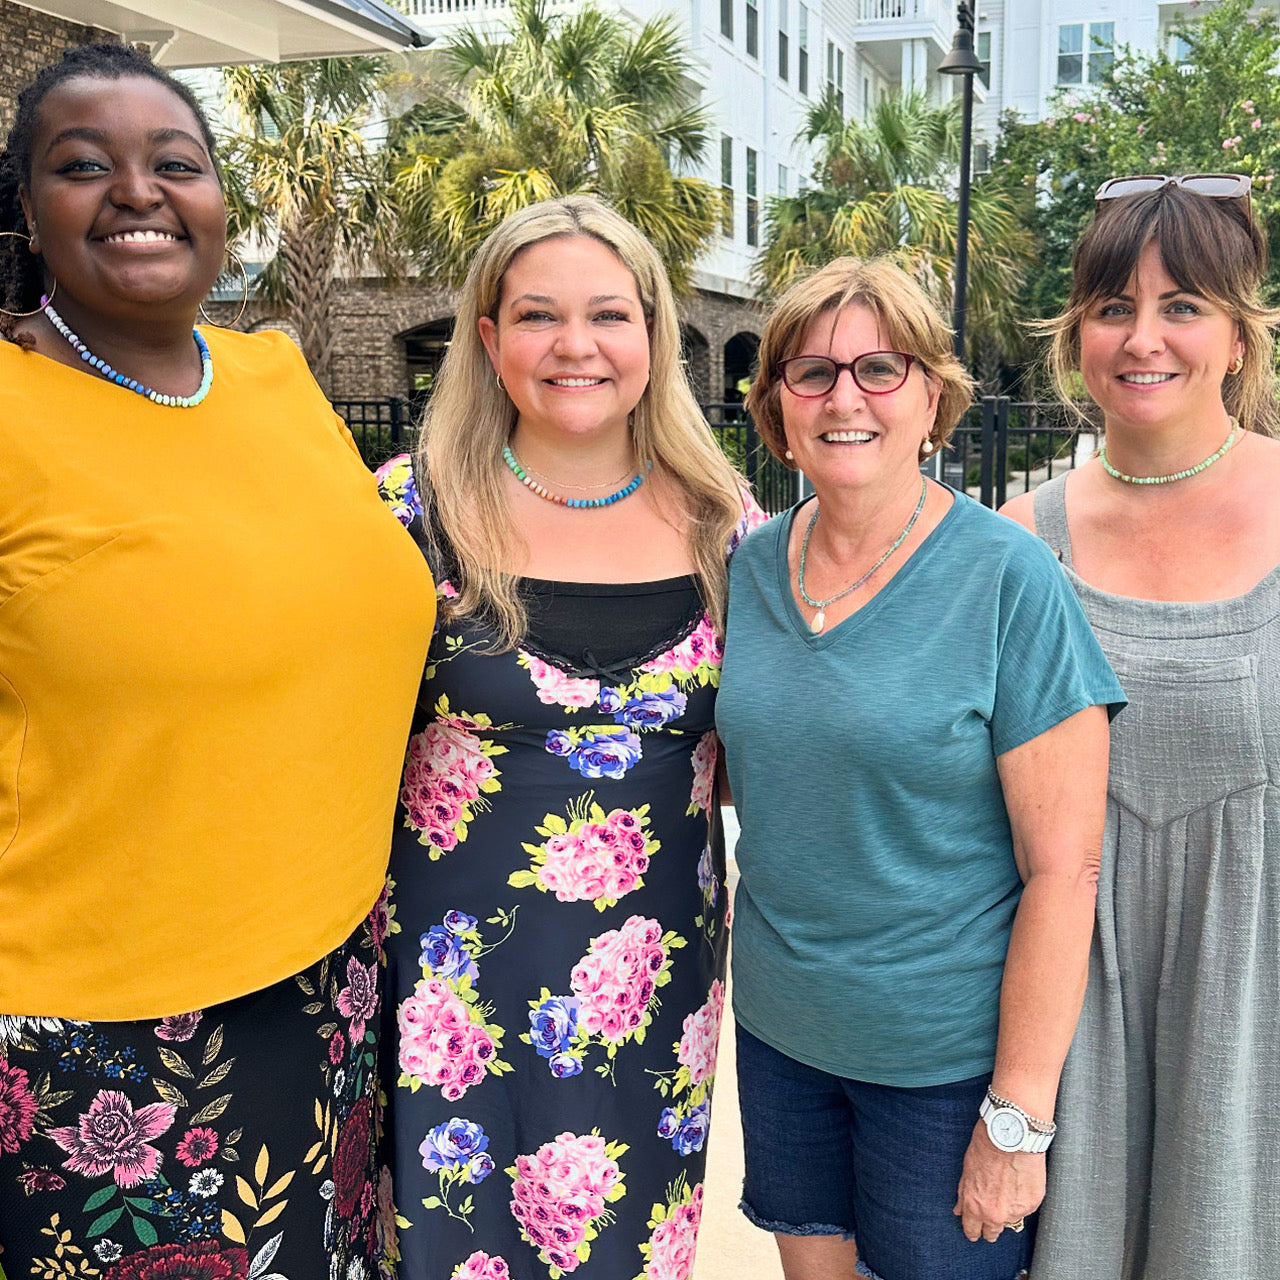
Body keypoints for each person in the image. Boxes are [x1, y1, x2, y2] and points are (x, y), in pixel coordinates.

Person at [0, 45, 433, 1279]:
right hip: (101, 1030)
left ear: (217, 202)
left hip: (333, 980)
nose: (137, 191)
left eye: (173, 163)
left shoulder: (275, 374)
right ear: (28, 213)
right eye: (83, 167)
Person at [373, 194, 763, 1280]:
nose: (576, 345)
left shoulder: (723, 521)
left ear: (652, 336)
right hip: (443, 988)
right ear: (489, 338)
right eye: (538, 316)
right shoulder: (406, 512)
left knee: (621, 1242)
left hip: (654, 984)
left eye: (609, 314)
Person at [715, 256, 1124, 1280]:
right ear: (774, 406)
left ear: (931, 394)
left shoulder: (1006, 578)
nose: (842, 396)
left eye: (877, 368)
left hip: (941, 1067)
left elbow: (1063, 868)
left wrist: (1017, 1118)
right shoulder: (749, 567)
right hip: (780, 1029)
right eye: (808, 372)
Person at [1001, 175, 1280, 1280]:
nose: (1142, 336)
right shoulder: (1018, 540)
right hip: (1065, 1012)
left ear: (1234, 331)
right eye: (1112, 305)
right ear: (1074, 334)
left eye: (1181, 305)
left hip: (1251, 1006)